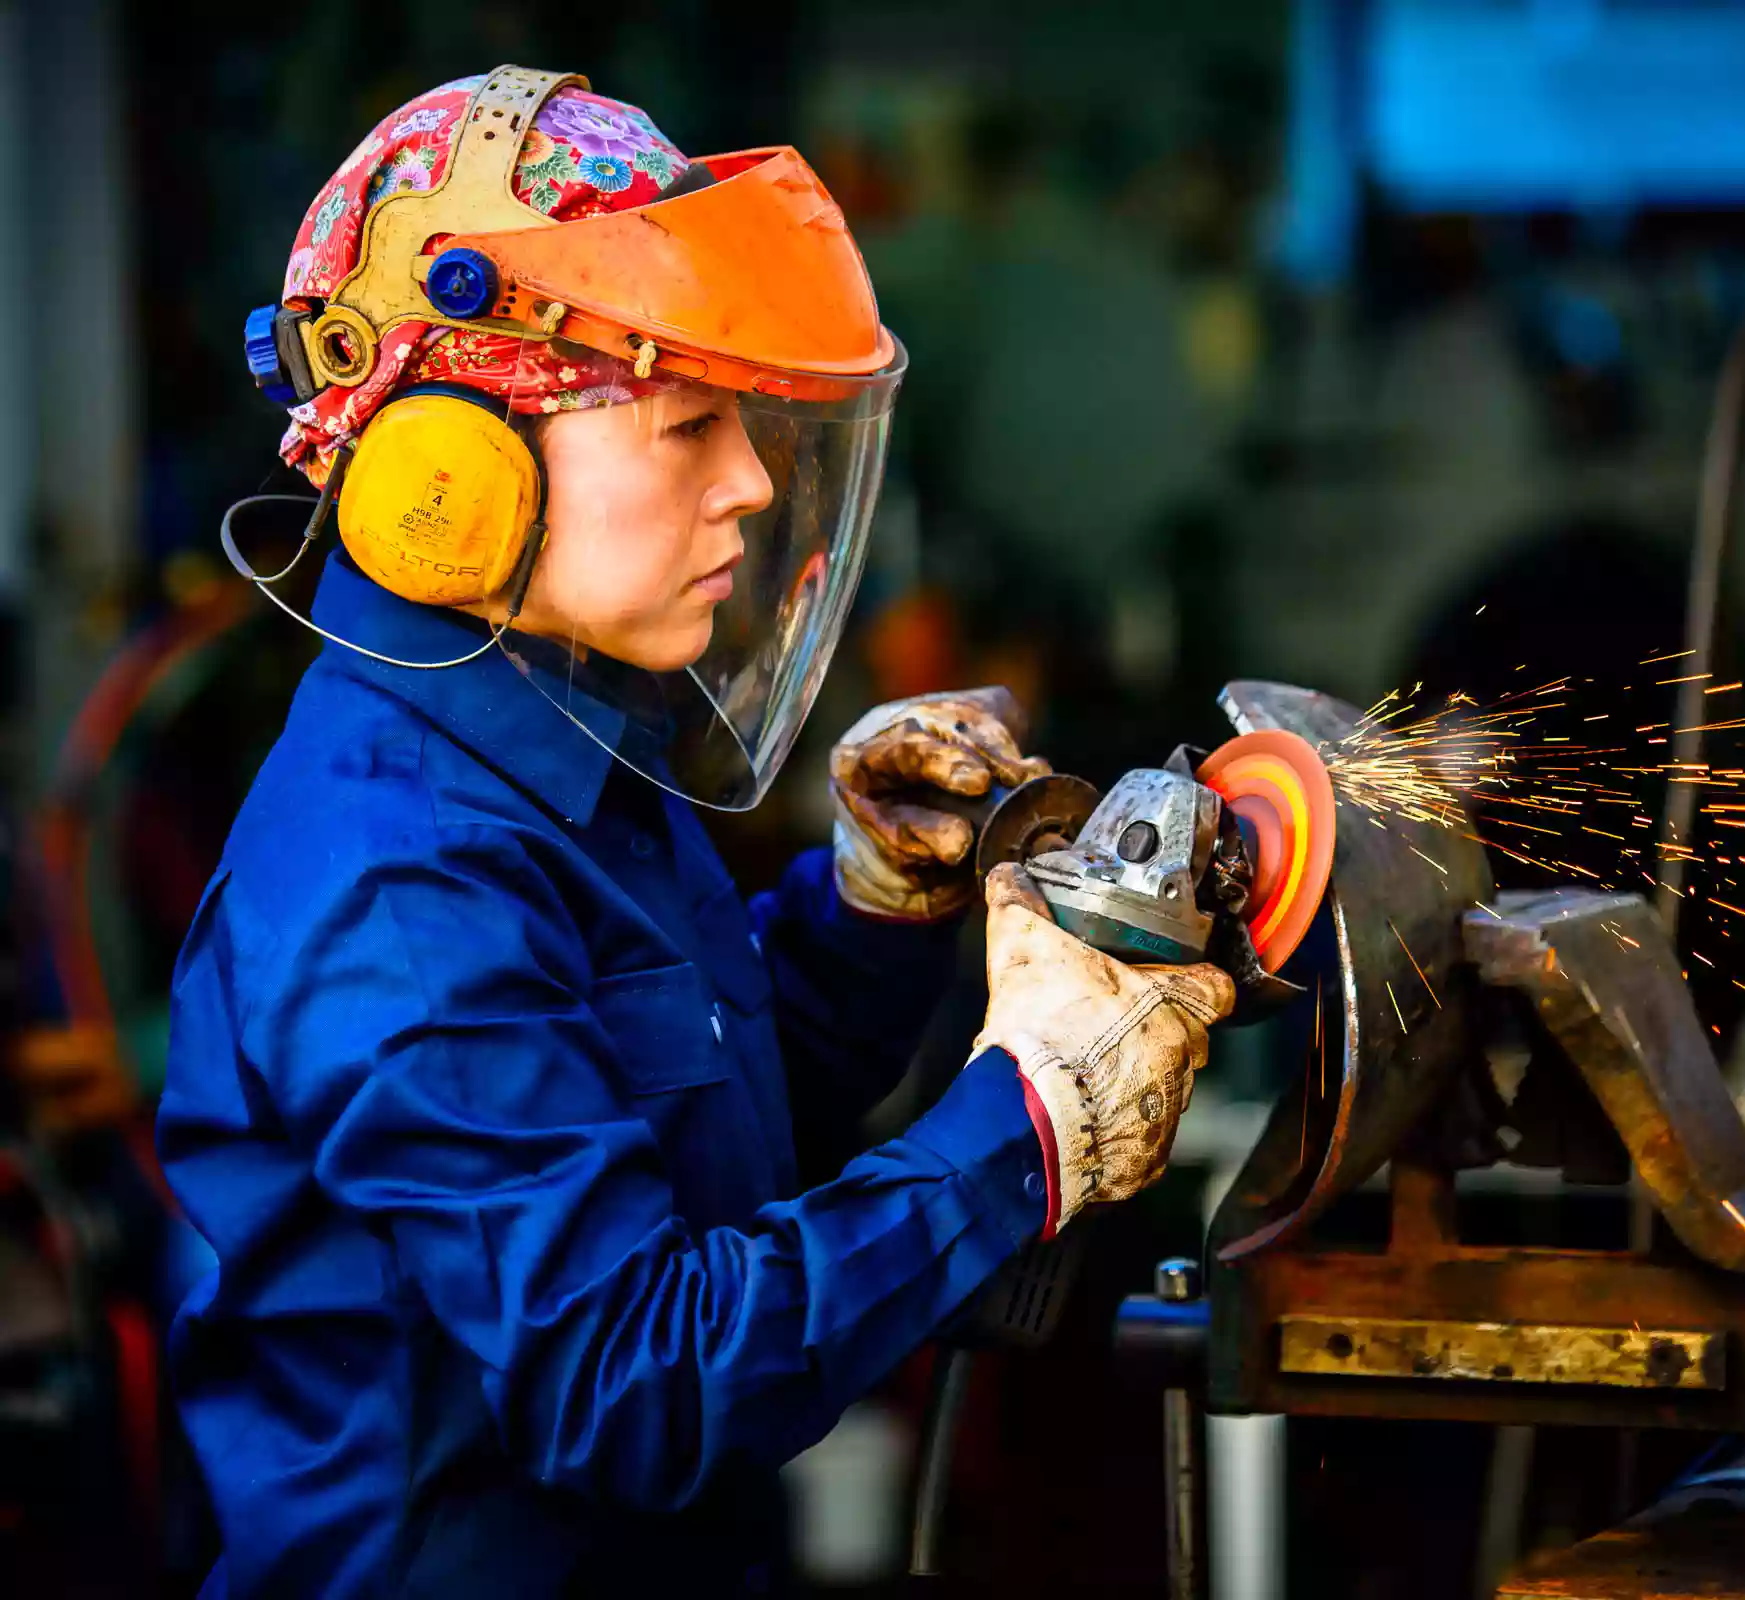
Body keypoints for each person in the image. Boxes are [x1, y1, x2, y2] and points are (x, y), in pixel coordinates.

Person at [158, 67, 1233, 1597]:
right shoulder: (400, 879)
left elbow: (694, 1134)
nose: (745, 485)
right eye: (686, 426)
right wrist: (1025, 1133)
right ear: (445, 479)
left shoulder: (557, 741)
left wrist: (869, 910)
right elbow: (634, 1385)